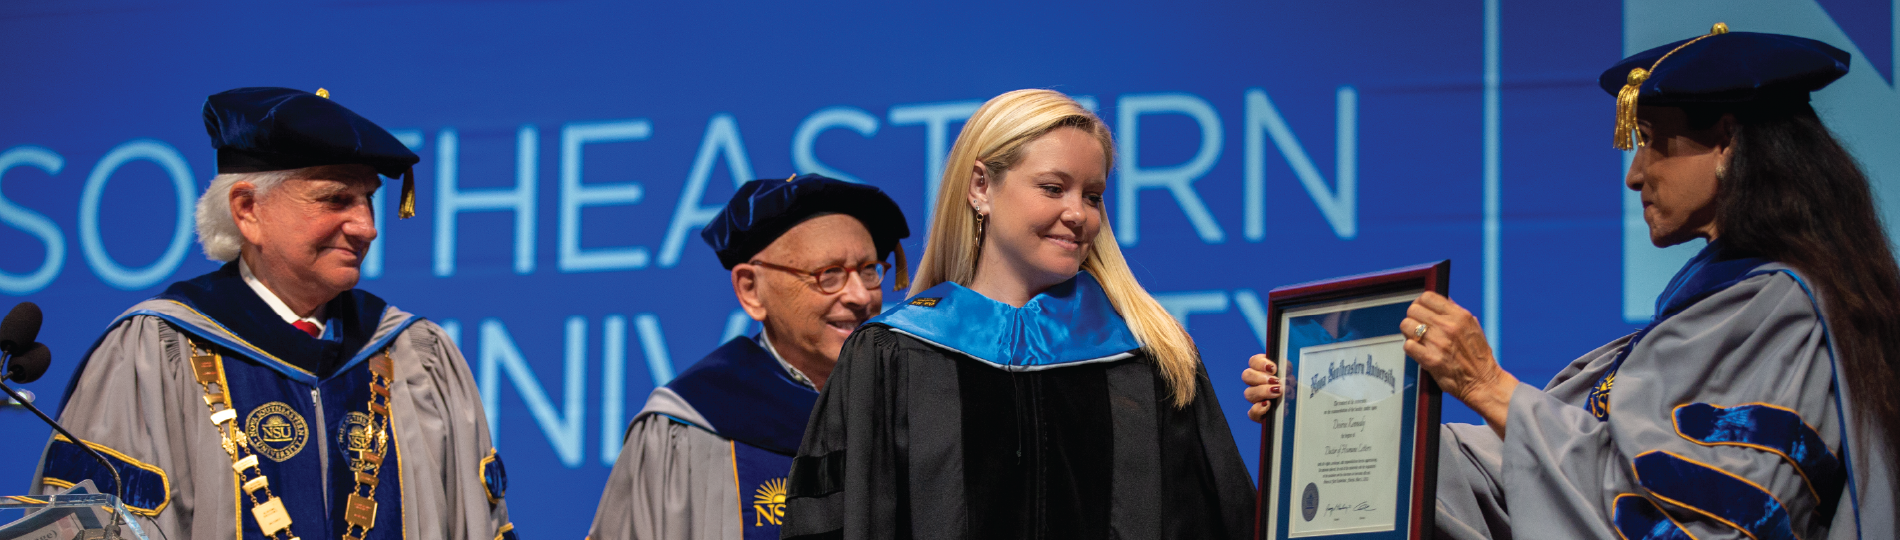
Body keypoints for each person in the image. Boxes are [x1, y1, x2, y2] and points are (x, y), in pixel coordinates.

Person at [1243, 25, 1898, 539]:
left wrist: (1490, 388)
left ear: (1726, 142)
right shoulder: (1716, 313)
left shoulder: (1782, 312)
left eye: (1652, 142)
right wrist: (1328, 409)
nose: (1635, 175)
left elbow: (1702, 519)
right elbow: (1549, 482)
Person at [32, 87, 517, 540]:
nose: (367, 227)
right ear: (248, 210)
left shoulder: (415, 355)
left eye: (368, 199)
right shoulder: (157, 353)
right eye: (336, 199)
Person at [781, 89, 1255, 539]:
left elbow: (1219, 522)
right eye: (1053, 188)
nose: (1079, 214)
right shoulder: (894, 354)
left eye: (1092, 196)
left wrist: (1296, 420)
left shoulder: (1148, 355)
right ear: (981, 186)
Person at [586, 173, 910, 540]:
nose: (861, 296)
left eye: (869, 272)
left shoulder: (913, 404)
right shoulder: (693, 423)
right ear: (751, 290)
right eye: (829, 274)